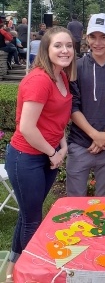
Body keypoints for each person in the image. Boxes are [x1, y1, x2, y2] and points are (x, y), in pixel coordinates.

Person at [4, 27, 76, 282]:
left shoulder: (61, 76)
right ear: (45, 49)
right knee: (33, 221)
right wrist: (53, 153)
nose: (65, 50)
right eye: (58, 45)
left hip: (48, 156)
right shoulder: (40, 80)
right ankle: (31, 275)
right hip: (27, 158)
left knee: (28, 215)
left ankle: (13, 266)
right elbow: (26, 127)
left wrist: (63, 146)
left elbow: (55, 120)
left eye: (69, 45)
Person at [66, 13, 105, 197]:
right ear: (86, 37)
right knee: (74, 203)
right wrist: (94, 135)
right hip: (80, 144)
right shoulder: (76, 66)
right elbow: (72, 106)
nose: (97, 43)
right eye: (93, 36)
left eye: (104, 37)